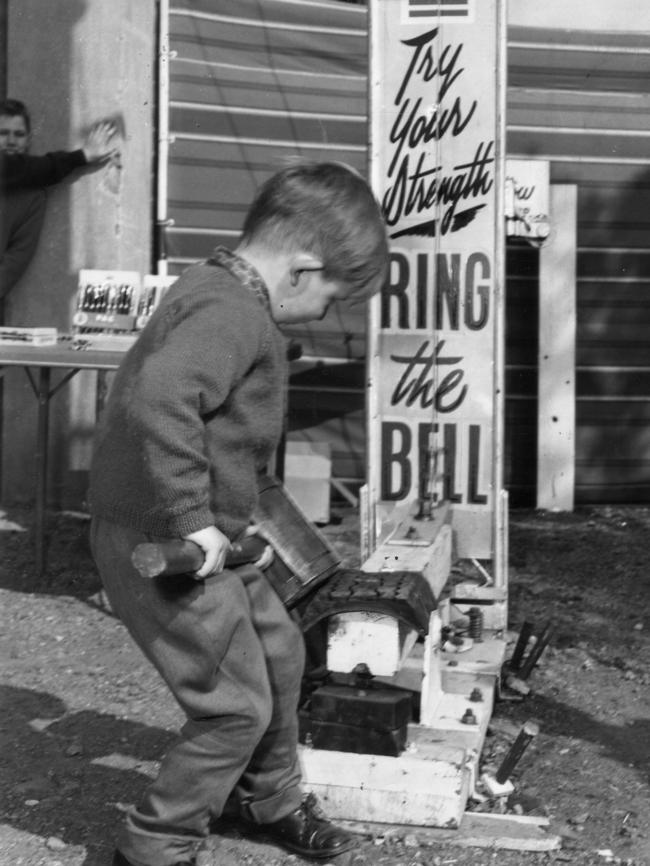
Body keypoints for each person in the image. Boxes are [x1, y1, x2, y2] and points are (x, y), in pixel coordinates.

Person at [88, 160, 389, 866]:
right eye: (333, 297)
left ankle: (268, 799)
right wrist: (192, 515)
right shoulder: (232, 313)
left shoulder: (214, 286)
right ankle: (154, 847)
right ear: (301, 271)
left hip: (206, 531)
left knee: (282, 653)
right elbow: (160, 397)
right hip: (164, 536)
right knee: (232, 707)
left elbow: (209, 416)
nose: (326, 313)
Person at [0, 98, 118, 300]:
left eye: (18, 134)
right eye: (2, 133)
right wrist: (82, 156)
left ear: (29, 140)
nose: (11, 141)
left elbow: (15, 261)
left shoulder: (32, 198)